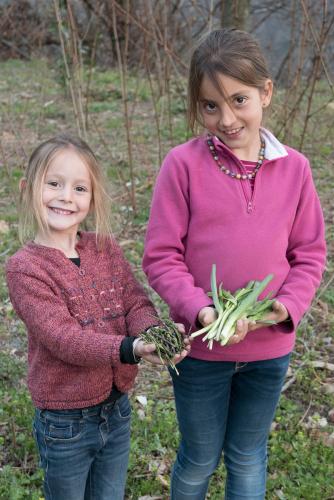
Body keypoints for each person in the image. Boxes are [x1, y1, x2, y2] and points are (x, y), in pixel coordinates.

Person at [142, 28, 326, 499]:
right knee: (199, 456)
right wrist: (203, 311)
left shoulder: (295, 169)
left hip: (268, 354)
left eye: (238, 99)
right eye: (210, 106)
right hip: (202, 353)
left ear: (266, 92)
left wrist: (280, 310)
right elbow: (162, 257)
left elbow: (309, 255)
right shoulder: (181, 166)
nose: (226, 118)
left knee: (247, 456)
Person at [5, 133, 189, 500]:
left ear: (91, 197)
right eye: (53, 184)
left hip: (116, 411)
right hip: (64, 422)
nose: (65, 197)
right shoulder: (25, 268)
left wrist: (154, 334)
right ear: (28, 189)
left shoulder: (104, 248)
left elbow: (134, 302)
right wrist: (131, 347)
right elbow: (63, 339)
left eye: (79, 188)